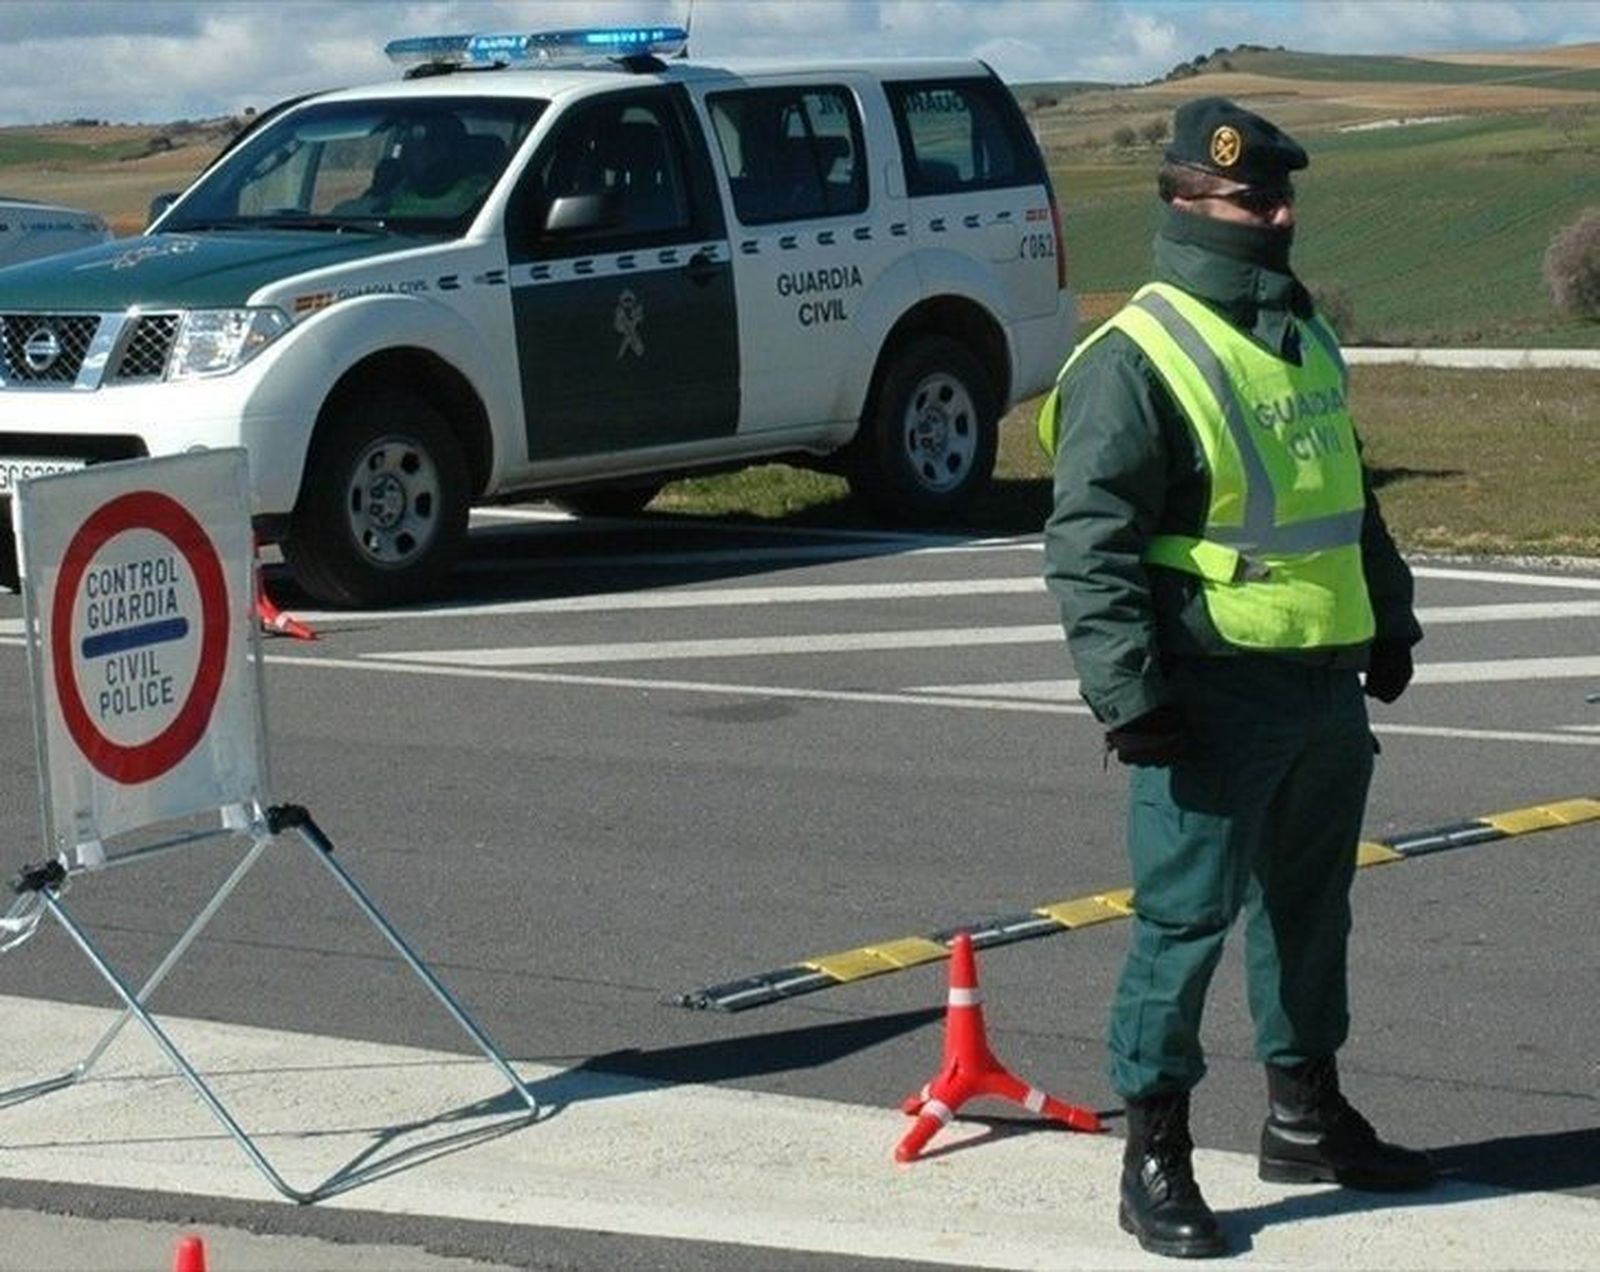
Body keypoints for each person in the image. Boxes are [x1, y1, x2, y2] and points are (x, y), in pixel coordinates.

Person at [1038, 97, 1435, 1260]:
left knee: (1310, 914)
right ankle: (1152, 1153)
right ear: (1182, 200)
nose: (1275, 215)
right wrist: (1128, 695)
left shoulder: (1300, 334)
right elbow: (1089, 545)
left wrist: (1390, 620)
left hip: (1318, 681)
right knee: (1183, 928)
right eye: (1250, 199)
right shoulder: (1135, 355)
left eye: (1281, 195)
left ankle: (1305, 1116)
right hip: (1208, 693)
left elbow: (1346, 498)